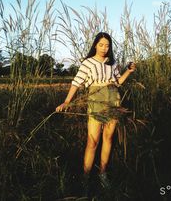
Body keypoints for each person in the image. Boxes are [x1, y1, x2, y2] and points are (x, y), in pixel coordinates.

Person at [56, 32, 135, 190]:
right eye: (101, 45)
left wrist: (128, 71)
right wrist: (66, 101)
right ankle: (85, 178)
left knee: (108, 138)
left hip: (113, 99)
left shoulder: (112, 63)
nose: (104, 48)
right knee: (92, 142)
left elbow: (118, 82)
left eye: (107, 45)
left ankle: (102, 174)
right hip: (96, 101)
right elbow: (77, 82)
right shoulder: (88, 63)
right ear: (95, 45)